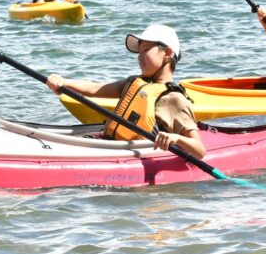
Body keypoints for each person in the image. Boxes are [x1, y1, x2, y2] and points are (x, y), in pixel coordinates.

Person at [46, 24, 206, 158]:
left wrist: (175, 138)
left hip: (132, 154)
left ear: (168, 53)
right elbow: (95, 89)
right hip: (112, 145)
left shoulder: (174, 98)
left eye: (146, 49)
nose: (139, 56)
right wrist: (64, 83)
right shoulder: (133, 83)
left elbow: (199, 150)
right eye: (139, 51)